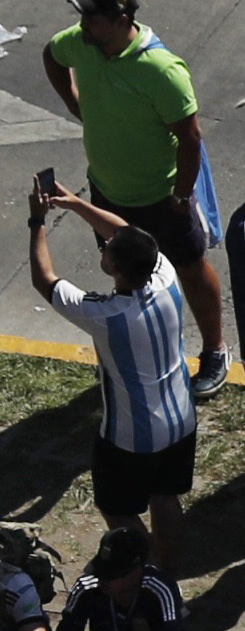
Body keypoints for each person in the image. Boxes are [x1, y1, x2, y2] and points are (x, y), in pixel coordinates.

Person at [24, 182, 196, 556]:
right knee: (165, 497)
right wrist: (75, 204)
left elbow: (44, 279)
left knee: (117, 510)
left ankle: (139, 567)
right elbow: (126, 233)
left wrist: (37, 221)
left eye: (108, 250)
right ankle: (166, 573)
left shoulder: (106, 315)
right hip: (182, 419)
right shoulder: (164, 273)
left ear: (112, 267)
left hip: (131, 437)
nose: (105, 245)